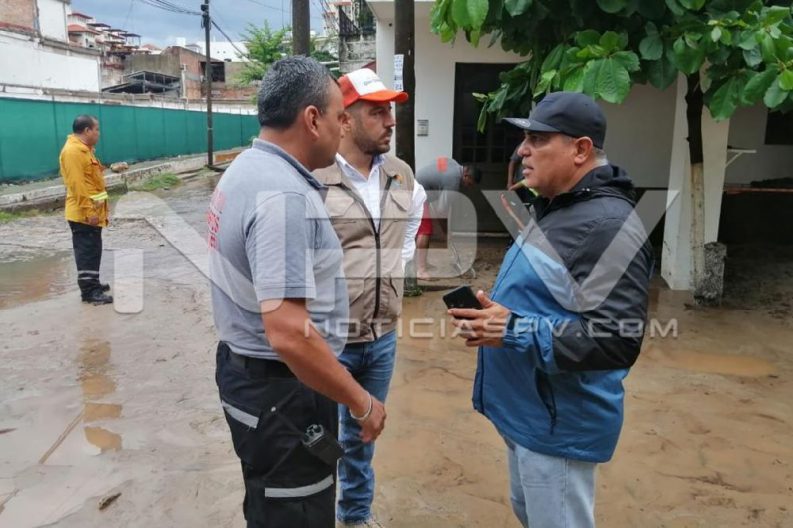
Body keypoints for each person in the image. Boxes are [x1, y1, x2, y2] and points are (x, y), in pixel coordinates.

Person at [448, 92, 654, 528]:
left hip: (558, 425)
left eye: (538, 140)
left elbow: (616, 339)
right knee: (528, 512)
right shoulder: (556, 206)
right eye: (525, 139)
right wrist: (496, 316)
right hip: (529, 414)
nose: (522, 150)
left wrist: (514, 329)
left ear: (580, 150)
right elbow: (550, 296)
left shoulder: (607, 225)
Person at [209, 57, 386, 528]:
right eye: (339, 116)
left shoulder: (246, 168)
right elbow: (288, 333)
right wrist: (362, 402)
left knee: (270, 502)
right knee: (297, 509)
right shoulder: (284, 196)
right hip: (283, 393)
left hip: (253, 380)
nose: (344, 127)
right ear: (312, 119)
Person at [313, 67, 426, 528]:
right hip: (327, 340)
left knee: (364, 432)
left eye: (390, 111)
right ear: (344, 118)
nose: (390, 121)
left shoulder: (400, 174)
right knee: (315, 437)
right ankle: (314, 513)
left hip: (382, 338)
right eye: (377, 112)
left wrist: (394, 266)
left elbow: (412, 222)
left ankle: (355, 515)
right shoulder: (314, 177)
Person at [60, 115, 113, 305]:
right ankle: (89, 292)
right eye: (96, 129)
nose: (99, 133)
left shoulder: (84, 150)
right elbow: (77, 185)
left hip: (92, 212)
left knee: (93, 250)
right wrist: (89, 211)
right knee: (87, 252)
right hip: (84, 214)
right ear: (87, 130)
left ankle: (93, 283)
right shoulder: (73, 152)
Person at [414, 157, 480, 280]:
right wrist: (446, 232)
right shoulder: (453, 182)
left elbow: (438, 163)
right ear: (466, 175)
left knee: (425, 230)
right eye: (469, 184)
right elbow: (441, 211)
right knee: (425, 231)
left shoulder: (453, 164)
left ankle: (422, 263)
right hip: (417, 194)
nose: (468, 187)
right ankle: (421, 271)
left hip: (418, 188)